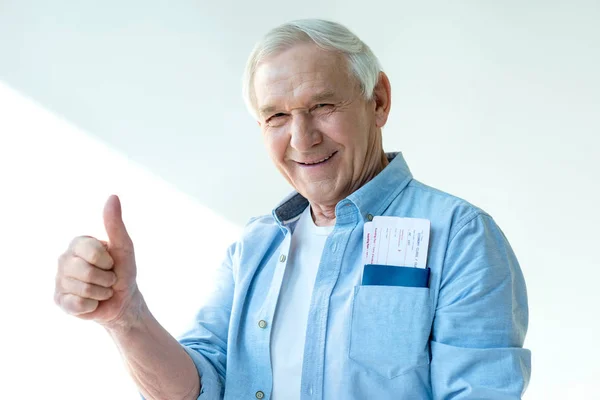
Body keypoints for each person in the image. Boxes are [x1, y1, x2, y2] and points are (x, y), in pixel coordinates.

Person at [54, 19, 531, 400]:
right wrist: (126, 316)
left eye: (322, 105)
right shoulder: (254, 246)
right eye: (277, 116)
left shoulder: (458, 236)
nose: (302, 139)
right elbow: (198, 388)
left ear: (378, 100)